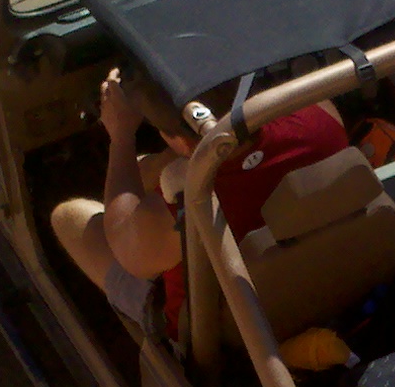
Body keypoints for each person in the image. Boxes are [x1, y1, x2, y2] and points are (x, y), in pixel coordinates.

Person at [49, 66, 348, 340]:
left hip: (226, 334)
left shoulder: (184, 204)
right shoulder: (318, 112)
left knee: (67, 215)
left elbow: (123, 242)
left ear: (180, 142)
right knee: (146, 167)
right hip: (334, 282)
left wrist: (121, 137)